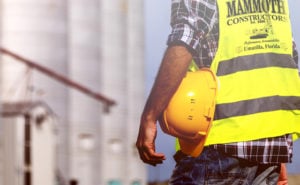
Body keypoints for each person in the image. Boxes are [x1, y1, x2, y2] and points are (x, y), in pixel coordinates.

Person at [136, 0, 300, 184]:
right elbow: (287, 59)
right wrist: (276, 149)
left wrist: (149, 117)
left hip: (216, 145)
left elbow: (185, 38)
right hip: (269, 150)